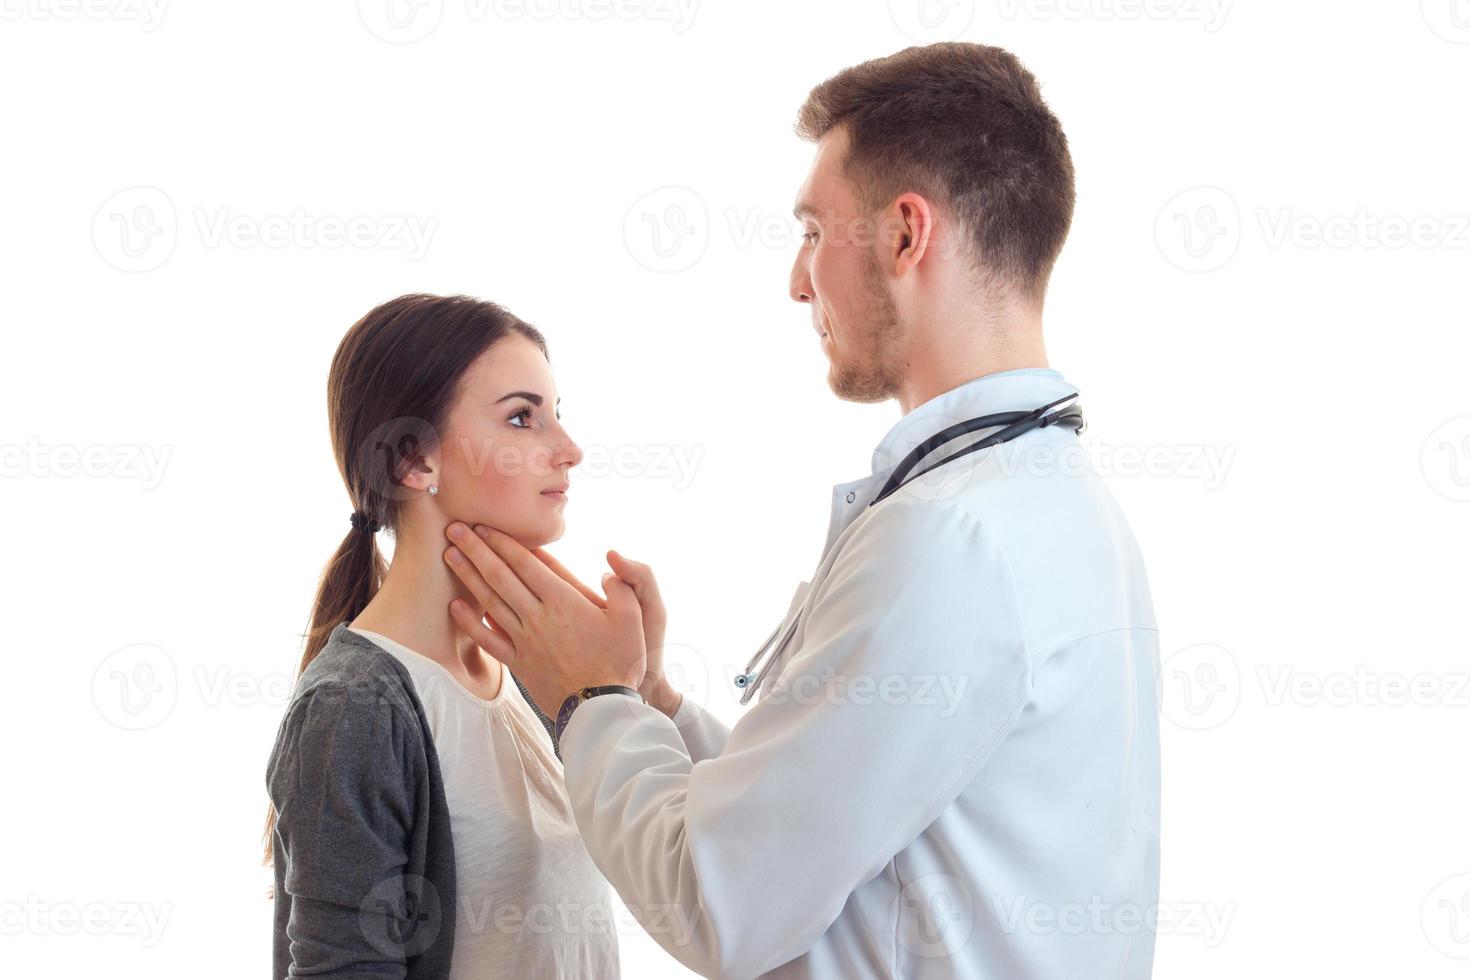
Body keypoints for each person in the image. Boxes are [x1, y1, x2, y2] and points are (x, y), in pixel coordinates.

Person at [439, 43, 1161, 979]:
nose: (796, 279)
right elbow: (839, 812)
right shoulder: (1063, 507)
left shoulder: (948, 538)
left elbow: (722, 902)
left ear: (906, 236)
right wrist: (653, 703)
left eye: (816, 230)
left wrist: (589, 701)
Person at [262, 293, 634, 979]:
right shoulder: (354, 712)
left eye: (558, 415)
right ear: (414, 461)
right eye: (523, 418)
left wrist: (635, 693)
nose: (569, 450)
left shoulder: (534, 676)